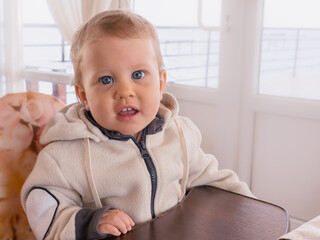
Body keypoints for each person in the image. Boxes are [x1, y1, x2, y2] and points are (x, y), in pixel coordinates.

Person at [21, 10, 254, 240]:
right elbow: (43, 210)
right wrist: (89, 224)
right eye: (106, 80)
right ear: (84, 96)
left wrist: (252, 209)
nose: (124, 92)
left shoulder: (180, 134)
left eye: (138, 74)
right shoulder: (64, 155)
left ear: (161, 83)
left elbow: (212, 179)